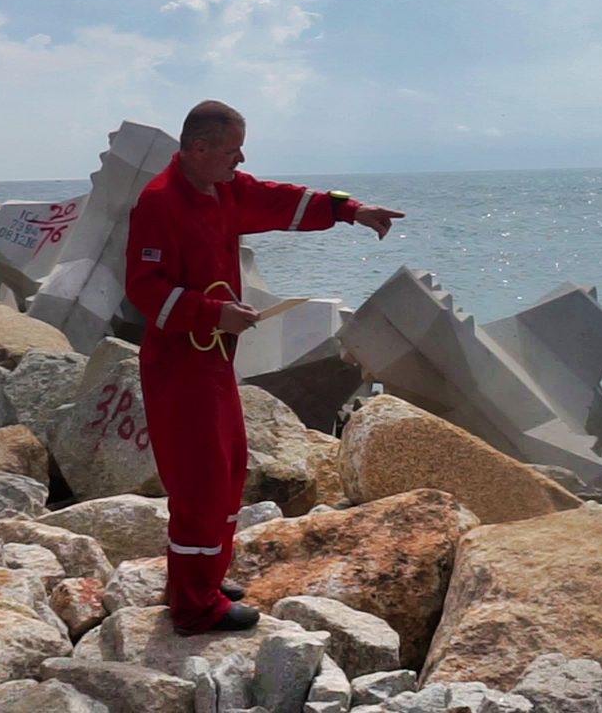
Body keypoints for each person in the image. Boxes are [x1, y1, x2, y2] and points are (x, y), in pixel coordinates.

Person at [125, 100, 406, 635]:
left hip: (213, 361)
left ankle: (200, 578)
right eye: (232, 150)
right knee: (201, 483)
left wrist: (351, 210)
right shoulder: (158, 202)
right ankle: (191, 607)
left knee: (229, 471)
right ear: (199, 149)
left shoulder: (223, 187)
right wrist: (214, 312)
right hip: (179, 365)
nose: (241, 159)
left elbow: (282, 202)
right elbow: (143, 289)